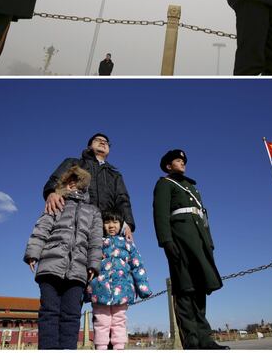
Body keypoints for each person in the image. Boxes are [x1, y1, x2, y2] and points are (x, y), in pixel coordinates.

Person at [153, 150, 229, 350]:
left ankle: (205, 339)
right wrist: (166, 241)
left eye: (183, 161)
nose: (182, 163)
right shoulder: (165, 184)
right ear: (169, 166)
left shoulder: (191, 186)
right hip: (180, 240)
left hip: (199, 241)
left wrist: (209, 243)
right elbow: (160, 213)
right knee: (185, 289)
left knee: (200, 288)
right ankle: (192, 341)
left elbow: (203, 217)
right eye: (178, 161)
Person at [24, 165, 103, 349]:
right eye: (69, 182)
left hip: (78, 270)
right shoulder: (56, 204)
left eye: (76, 182)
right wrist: (33, 253)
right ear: (63, 184)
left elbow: (96, 241)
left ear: (83, 186)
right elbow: (41, 229)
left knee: (72, 314)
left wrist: (93, 264)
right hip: (50, 265)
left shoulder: (93, 212)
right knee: (49, 312)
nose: (72, 185)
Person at [43, 133, 136, 240]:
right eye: (98, 140)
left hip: (104, 228)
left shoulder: (115, 175)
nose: (102, 142)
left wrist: (128, 223)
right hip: (74, 223)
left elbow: (123, 200)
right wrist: (51, 192)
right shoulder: (73, 163)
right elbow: (55, 179)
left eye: (106, 142)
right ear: (89, 146)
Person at [86, 210, 152, 349]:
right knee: (101, 322)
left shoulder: (127, 244)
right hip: (99, 289)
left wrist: (143, 288)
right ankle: (101, 347)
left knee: (119, 321)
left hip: (122, 290)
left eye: (115, 222)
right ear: (102, 224)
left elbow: (137, 266)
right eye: (107, 222)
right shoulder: (97, 244)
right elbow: (88, 265)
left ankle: (119, 347)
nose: (111, 226)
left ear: (121, 225)